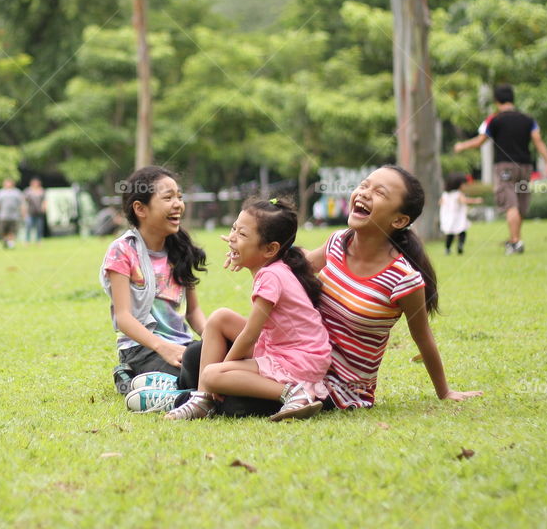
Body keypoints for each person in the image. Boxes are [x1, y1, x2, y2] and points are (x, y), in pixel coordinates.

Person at [184, 165, 482, 416]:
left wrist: (445, 392)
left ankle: (177, 398)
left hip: (337, 387)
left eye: (380, 193)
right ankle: (193, 397)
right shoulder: (339, 242)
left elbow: (423, 339)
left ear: (399, 220)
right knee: (196, 356)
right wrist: (245, 250)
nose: (365, 193)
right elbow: (293, 268)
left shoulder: (403, 279)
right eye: (365, 185)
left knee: (235, 397)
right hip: (295, 358)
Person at [164, 197, 331, 421]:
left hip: (298, 361)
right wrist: (241, 250)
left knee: (212, 375)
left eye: (242, 235)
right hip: (294, 351)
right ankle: (202, 400)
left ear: (271, 249)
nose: (232, 238)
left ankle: (295, 393)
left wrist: (226, 368)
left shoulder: (270, 276)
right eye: (234, 229)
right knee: (219, 318)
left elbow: (250, 335)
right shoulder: (278, 265)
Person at [99, 166, 207, 413]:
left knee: (223, 364)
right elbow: (124, 318)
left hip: (183, 346)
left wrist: (216, 340)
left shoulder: (181, 249)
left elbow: (194, 313)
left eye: (179, 196)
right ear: (140, 209)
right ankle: (156, 388)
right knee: (206, 376)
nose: (178, 204)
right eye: (168, 198)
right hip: (142, 349)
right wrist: (162, 347)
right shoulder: (122, 251)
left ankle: (173, 389)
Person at [454, 84, 547, 254]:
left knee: (510, 205)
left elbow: (480, 141)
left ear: (496, 101)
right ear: (512, 99)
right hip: (525, 167)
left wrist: (462, 146)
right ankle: (516, 239)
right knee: (520, 203)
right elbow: (538, 140)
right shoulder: (528, 119)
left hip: (505, 167)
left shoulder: (494, 119)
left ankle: (515, 242)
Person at [439, 173, 482, 255]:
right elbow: (464, 201)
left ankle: (447, 249)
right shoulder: (458, 194)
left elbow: (440, 202)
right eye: (464, 184)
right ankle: (460, 245)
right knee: (462, 232)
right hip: (457, 217)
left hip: (448, 217)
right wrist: (476, 200)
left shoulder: (445, 194)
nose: (465, 186)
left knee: (450, 234)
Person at [0, 179, 24, 249]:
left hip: (14, 216)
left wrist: (23, 213)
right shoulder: (0, 192)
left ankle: (10, 243)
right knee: (3, 231)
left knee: (12, 230)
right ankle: (6, 241)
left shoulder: (17, 192)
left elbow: (22, 204)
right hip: (3, 216)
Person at [24, 178, 47, 244]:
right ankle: (27, 241)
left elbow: (45, 200)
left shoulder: (41, 191)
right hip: (30, 212)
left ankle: (39, 241)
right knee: (28, 227)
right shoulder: (28, 191)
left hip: (39, 212)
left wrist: (44, 208)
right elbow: (24, 201)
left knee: (39, 228)